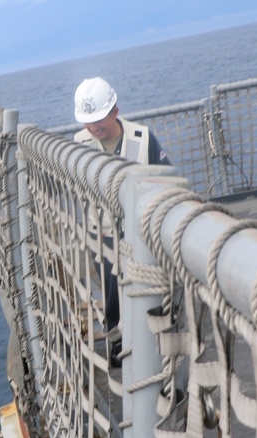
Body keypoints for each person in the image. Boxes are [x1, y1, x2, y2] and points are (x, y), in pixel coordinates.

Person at [72, 77, 171, 349]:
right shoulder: (77, 143)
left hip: (138, 229)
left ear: (115, 111)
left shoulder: (142, 138)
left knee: (144, 284)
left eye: (99, 120)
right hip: (102, 231)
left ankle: (150, 339)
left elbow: (165, 178)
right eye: (88, 122)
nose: (93, 128)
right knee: (113, 286)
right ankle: (118, 340)